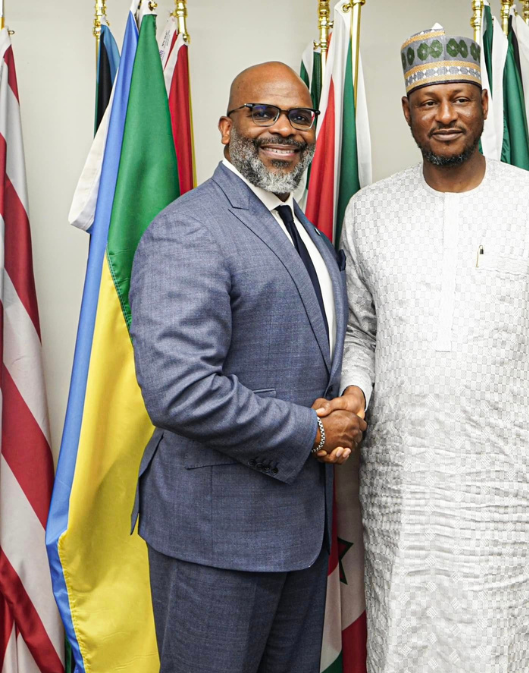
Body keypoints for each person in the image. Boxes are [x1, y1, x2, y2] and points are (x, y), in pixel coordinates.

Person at [316, 27, 529, 671]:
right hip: (409, 496)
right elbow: (361, 334)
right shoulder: (369, 211)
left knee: (514, 652)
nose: (446, 116)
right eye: (428, 103)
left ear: (486, 103)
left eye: (460, 99)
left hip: (518, 498)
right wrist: (353, 393)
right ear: (407, 112)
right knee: (412, 648)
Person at [129, 62, 366, 673]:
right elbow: (179, 392)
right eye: (263, 112)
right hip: (215, 532)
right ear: (225, 126)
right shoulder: (189, 229)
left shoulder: (308, 234)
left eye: (299, 116)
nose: (283, 128)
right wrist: (313, 431)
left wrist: (346, 405)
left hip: (298, 530)